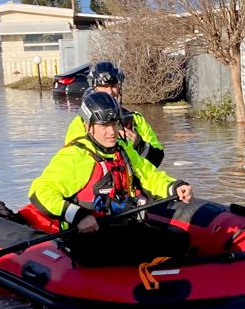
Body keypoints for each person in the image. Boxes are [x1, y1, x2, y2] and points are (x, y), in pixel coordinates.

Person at [29, 90, 193, 265]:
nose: (112, 132)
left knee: (179, 238)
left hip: (121, 227)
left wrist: (174, 186)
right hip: (87, 236)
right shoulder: (75, 157)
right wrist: (78, 216)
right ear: (88, 126)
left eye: (115, 124)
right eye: (104, 126)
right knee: (147, 249)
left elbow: (149, 176)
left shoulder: (122, 149)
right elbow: (39, 192)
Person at [63, 61, 165, 166]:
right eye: (104, 86)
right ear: (94, 88)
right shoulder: (81, 121)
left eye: (113, 86)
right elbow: (70, 160)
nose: (110, 91)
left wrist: (139, 144)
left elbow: (158, 159)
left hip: (133, 178)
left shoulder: (135, 119)